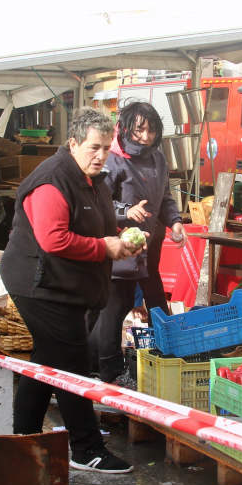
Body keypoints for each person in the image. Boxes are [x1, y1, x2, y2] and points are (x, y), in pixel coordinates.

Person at [1, 108, 143, 474]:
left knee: (47, 361)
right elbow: (53, 239)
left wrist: (123, 234)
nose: (101, 155)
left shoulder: (89, 177)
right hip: (38, 284)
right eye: (93, 147)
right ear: (73, 143)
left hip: (59, 283)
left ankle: (24, 439)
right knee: (73, 364)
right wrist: (105, 248)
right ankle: (86, 448)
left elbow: (91, 219)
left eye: (107, 148)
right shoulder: (52, 180)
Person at [89, 101, 185, 386]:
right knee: (115, 308)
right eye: (140, 129)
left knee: (157, 305)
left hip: (150, 248)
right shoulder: (113, 160)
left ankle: (166, 359)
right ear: (127, 127)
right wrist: (125, 211)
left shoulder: (158, 159)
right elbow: (99, 201)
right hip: (121, 247)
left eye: (151, 130)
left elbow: (165, 198)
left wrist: (176, 222)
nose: (145, 136)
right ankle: (107, 371)